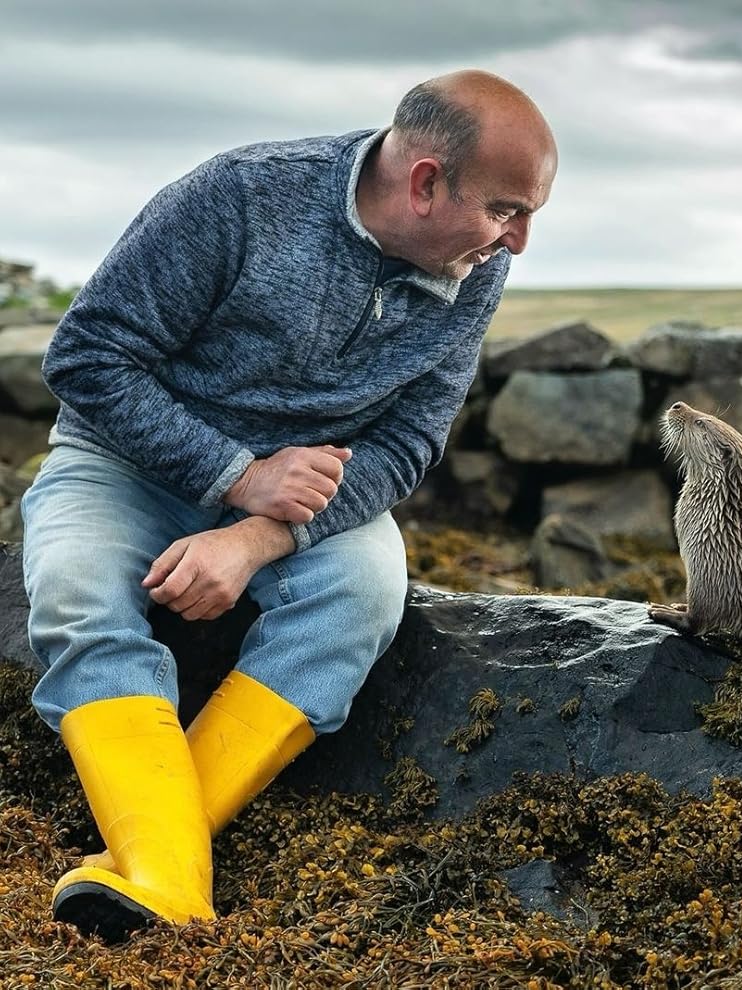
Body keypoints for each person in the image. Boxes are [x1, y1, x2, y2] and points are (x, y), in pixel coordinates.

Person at [20, 68, 557, 941]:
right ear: (425, 183)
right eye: (507, 210)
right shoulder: (238, 196)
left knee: (365, 595)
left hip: (306, 503)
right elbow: (86, 358)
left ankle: (153, 862)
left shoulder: (473, 265)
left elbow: (409, 446)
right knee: (78, 590)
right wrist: (236, 475)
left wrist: (260, 535)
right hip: (120, 466)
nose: (519, 241)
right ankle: (175, 881)